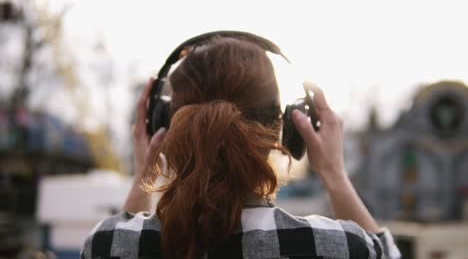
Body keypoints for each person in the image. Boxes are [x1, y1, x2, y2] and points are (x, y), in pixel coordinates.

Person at [81, 36, 401, 259]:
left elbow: (125, 238)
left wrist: (144, 174)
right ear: (285, 127)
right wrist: (334, 173)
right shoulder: (342, 246)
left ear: (163, 126)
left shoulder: (108, 244)